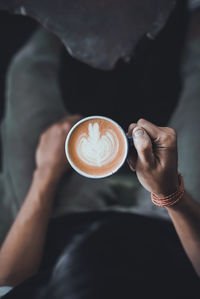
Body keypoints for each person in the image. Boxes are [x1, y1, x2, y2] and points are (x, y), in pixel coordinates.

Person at [0, 5, 200, 298]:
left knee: (27, 73)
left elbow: (7, 279)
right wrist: (170, 195)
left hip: (54, 220)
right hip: (170, 230)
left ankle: (58, 18)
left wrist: (45, 175)